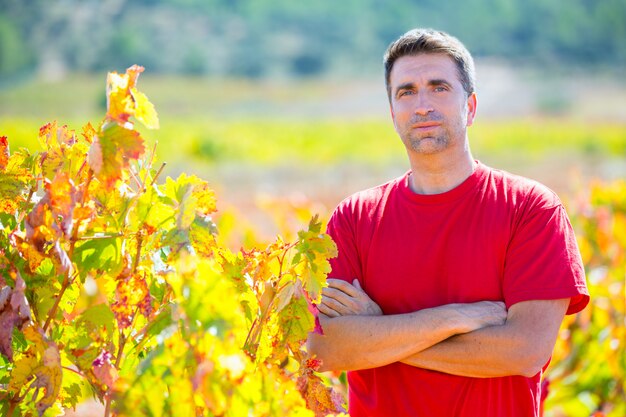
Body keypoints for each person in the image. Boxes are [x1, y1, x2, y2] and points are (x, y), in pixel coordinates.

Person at [307, 28, 589, 417]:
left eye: (439, 87)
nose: (422, 105)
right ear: (392, 112)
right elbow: (326, 350)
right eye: (406, 91)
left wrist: (380, 333)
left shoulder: (531, 209)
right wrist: (452, 318)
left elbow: (525, 351)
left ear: (470, 107)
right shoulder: (354, 220)